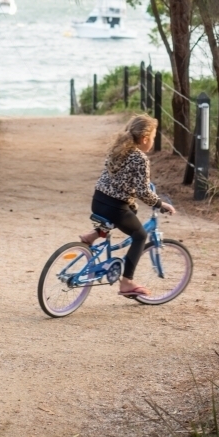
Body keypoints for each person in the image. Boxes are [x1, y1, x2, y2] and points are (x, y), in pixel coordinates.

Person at [80, 113, 176, 299]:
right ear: (145, 138)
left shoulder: (117, 149)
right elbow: (143, 192)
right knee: (140, 235)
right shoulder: (140, 158)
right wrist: (160, 204)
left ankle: (93, 235)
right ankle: (127, 283)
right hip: (115, 207)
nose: (154, 141)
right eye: (154, 138)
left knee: (130, 210)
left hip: (98, 201)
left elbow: (119, 179)